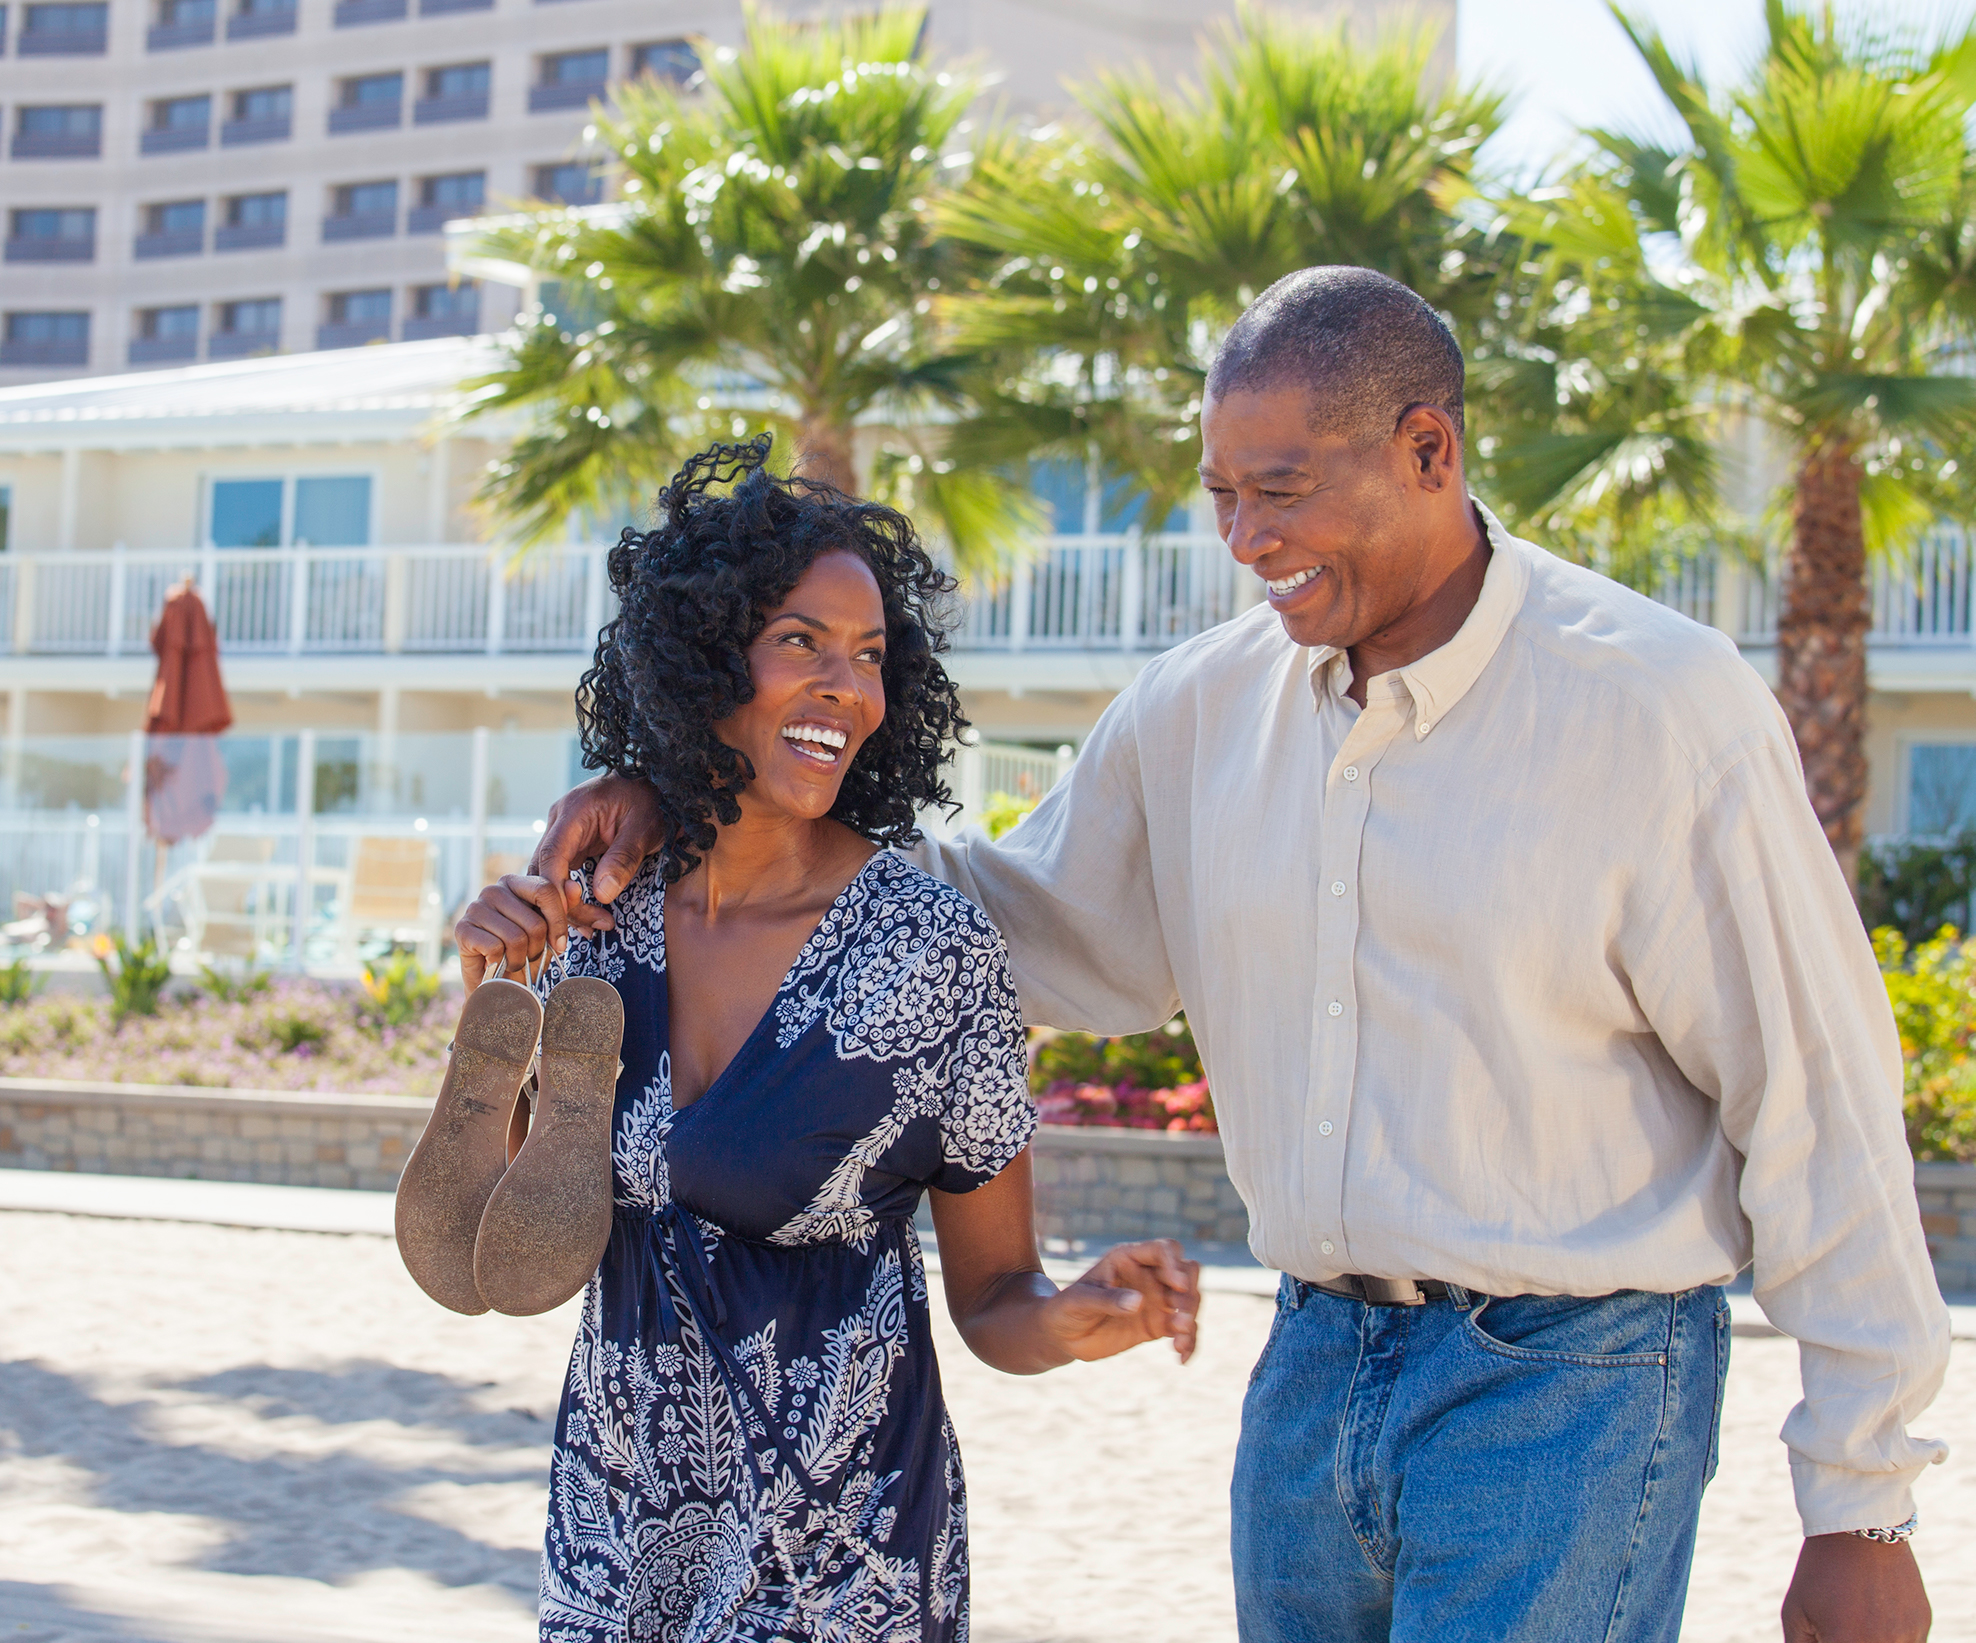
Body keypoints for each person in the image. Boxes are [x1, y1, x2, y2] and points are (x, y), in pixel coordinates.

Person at [518, 270, 1953, 1642]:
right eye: (1222, 495)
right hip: (1310, 1370)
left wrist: (1863, 1506)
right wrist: (697, 803)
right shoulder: (1201, 708)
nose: (1246, 538)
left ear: (1429, 449)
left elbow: (1817, 1098)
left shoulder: (1660, 710)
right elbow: (998, 925)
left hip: (1575, 1382)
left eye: (1282, 490)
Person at [453, 440, 1200, 1643]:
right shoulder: (605, 915)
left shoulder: (932, 952)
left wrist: (1072, 1316)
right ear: (705, 659)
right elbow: (506, 1246)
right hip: (617, 1529)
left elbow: (996, 1293)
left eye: (869, 656)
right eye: (802, 641)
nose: (846, 688)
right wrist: (490, 1000)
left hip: (837, 1557)